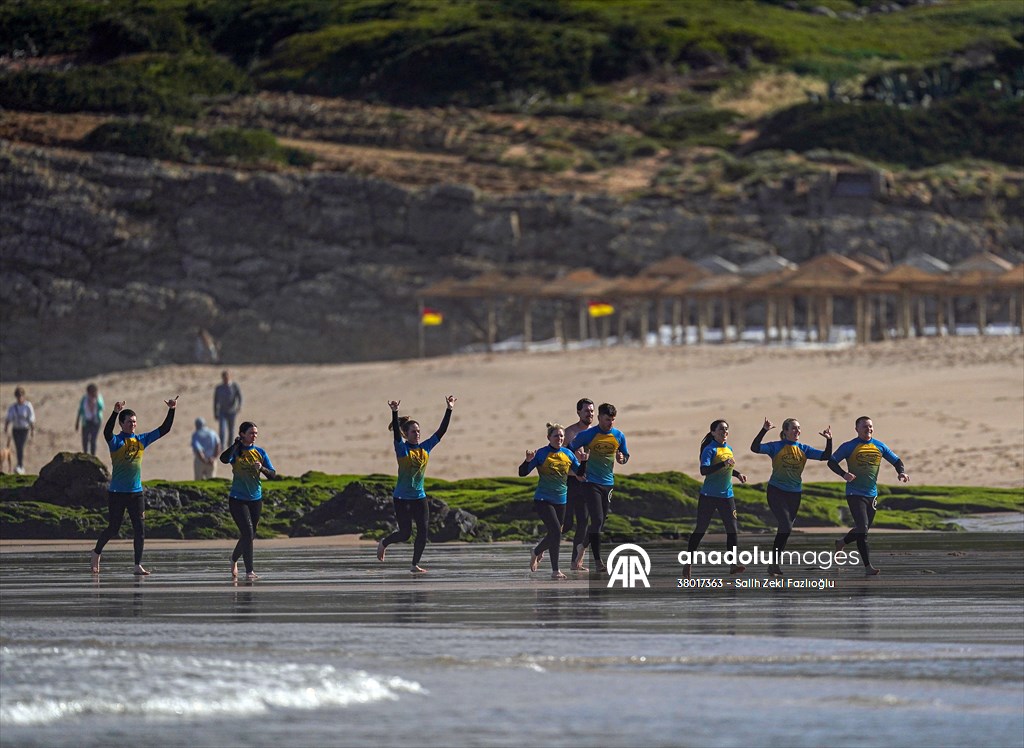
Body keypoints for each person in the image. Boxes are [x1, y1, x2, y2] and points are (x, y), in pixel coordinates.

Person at [91, 396, 178, 576]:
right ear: (121, 424)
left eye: (135, 422)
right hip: (117, 493)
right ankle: (96, 552)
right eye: (129, 422)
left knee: (140, 530)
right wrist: (115, 412)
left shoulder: (141, 440)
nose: (133, 424)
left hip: (136, 493)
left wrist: (172, 410)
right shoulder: (116, 442)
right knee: (113, 529)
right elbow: (106, 432)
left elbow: (165, 429)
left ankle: (137, 565)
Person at [377, 395, 455, 573]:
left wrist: (449, 409)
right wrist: (395, 412)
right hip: (402, 498)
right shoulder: (402, 449)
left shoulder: (426, 447)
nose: (417, 434)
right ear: (406, 434)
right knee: (405, 534)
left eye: (419, 431)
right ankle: (384, 543)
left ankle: (414, 565)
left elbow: (441, 431)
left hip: (420, 497)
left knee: (423, 532)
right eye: (413, 432)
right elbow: (396, 435)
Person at [750, 417, 833, 576]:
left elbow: (826, 456)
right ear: (785, 431)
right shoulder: (776, 446)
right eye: (793, 428)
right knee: (786, 526)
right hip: (776, 491)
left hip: (794, 494)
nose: (797, 431)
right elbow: (755, 448)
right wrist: (764, 430)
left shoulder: (804, 449)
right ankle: (774, 563)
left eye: (798, 428)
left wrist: (829, 440)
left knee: (785, 529)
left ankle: (774, 563)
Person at [828, 416, 910, 576]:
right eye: (865, 426)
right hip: (854, 493)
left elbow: (897, 461)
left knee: (862, 529)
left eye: (870, 426)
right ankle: (868, 567)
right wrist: (844, 474)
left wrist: (901, 472)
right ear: (857, 429)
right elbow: (831, 462)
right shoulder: (849, 446)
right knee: (863, 530)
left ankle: (841, 542)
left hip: (872, 494)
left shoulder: (879, 446)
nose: (868, 429)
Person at [519, 423, 588, 579]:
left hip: (561, 500)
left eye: (561, 436)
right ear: (548, 437)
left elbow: (580, 474)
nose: (559, 438)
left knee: (555, 533)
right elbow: (522, 473)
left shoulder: (568, 454)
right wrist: (527, 461)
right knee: (556, 532)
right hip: (543, 499)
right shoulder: (541, 453)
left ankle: (536, 551)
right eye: (556, 436)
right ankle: (555, 570)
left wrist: (583, 461)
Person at [681, 419, 748, 579]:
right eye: (721, 429)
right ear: (713, 432)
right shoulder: (709, 450)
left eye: (726, 429)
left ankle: (733, 564)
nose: (724, 432)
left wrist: (737, 474)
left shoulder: (729, 449)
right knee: (701, 529)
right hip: (709, 496)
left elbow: (727, 468)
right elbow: (704, 470)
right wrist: (723, 464)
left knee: (732, 530)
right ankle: (688, 563)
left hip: (727, 496)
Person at [568, 402, 629, 573]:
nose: (611, 423)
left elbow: (625, 455)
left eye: (613, 420)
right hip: (590, 482)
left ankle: (582, 546)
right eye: (607, 419)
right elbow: (567, 451)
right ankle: (598, 561)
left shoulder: (618, 435)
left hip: (608, 483)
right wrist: (578, 468)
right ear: (600, 417)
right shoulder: (588, 434)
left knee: (600, 523)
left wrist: (622, 459)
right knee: (597, 520)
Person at [220, 421, 276, 581]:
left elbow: (273, 475)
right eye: (251, 433)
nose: (254, 436)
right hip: (237, 499)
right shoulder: (236, 452)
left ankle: (233, 558)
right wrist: (235, 445)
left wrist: (262, 468)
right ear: (242, 434)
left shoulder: (260, 452)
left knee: (249, 536)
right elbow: (224, 459)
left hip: (255, 499)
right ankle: (249, 572)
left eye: (256, 433)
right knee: (248, 533)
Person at [560, 398, 595, 536]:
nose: (590, 414)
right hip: (571, 482)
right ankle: (545, 545)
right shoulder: (569, 433)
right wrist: (574, 473)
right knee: (566, 522)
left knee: (583, 521)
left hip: (588, 482)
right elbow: (558, 458)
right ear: (578, 412)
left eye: (592, 411)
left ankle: (578, 551)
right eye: (586, 411)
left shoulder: (596, 433)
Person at [4, 387, 35, 474]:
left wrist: (32, 430)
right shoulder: (13, 407)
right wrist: (6, 427)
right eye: (18, 396)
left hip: (24, 430)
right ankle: (19, 465)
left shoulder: (27, 406)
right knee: (18, 447)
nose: (19, 398)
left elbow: (31, 418)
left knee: (21, 447)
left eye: (21, 396)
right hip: (16, 429)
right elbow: (8, 418)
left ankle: (20, 465)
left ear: (23, 396)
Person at [213, 370, 243, 449]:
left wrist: (239, 406)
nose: (225, 379)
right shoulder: (219, 388)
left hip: (232, 411)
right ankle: (221, 446)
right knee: (222, 430)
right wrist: (215, 412)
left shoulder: (234, 386)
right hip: (222, 411)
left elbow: (240, 397)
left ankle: (230, 446)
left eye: (227, 377)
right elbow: (215, 401)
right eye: (224, 378)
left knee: (231, 430)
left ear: (229, 377)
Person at [75, 383, 104, 455]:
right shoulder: (84, 399)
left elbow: (101, 407)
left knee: (93, 440)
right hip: (86, 421)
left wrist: (95, 401)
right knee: (85, 439)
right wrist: (77, 422)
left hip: (95, 422)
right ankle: (85, 454)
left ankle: (93, 455)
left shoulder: (98, 399)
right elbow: (80, 410)